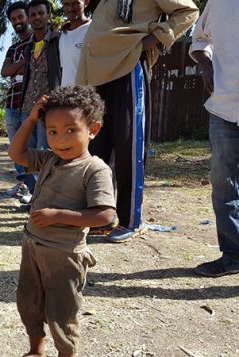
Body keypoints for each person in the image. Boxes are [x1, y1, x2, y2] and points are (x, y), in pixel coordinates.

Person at [76, 0, 198, 242]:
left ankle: (131, 219)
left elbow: (188, 11)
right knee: (97, 150)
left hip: (127, 67)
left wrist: (154, 39)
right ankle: (103, 216)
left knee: (128, 146)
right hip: (97, 76)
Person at [8, 86, 116, 357]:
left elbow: (105, 216)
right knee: (29, 303)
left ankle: (66, 353)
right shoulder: (48, 159)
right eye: (52, 131)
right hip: (32, 246)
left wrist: (57, 215)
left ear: (92, 129)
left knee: (61, 312)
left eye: (71, 130)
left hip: (65, 254)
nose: (60, 139)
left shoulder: (95, 169)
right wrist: (31, 119)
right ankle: (36, 349)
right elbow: (16, 153)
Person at [189, 2, 239, 277]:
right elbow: (199, 40)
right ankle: (233, 255)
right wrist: (205, 64)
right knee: (224, 185)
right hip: (223, 106)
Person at [18, 0, 62, 204]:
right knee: (29, 155)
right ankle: (37, 197)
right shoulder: (28, 47)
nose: (37, 17)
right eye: (33, 14)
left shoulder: (58, 40)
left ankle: (49, 198)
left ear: (48, 15)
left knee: (47, 153)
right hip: (28, 106)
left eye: (40, 13)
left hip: (50, 107)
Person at [1, 1, 33, 201]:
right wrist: (24, 62)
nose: (17, 22)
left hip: (30, 100)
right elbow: (5, 72)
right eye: (13, 19)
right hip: (12, 101)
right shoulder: (13, 48)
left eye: (20, 17)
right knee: (16, 146)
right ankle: (22, 183)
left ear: (28, 17)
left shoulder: (38, 41)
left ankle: (33, 187)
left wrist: (17, 66)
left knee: (31, 145)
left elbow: (35, 67)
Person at [59, 0, 91, 87]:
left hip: (87, 97)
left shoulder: (93, 29)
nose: (70, 8)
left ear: (86, 2)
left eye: (75, 3)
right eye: (66, 4)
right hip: (66, 96)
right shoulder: (62, 36)